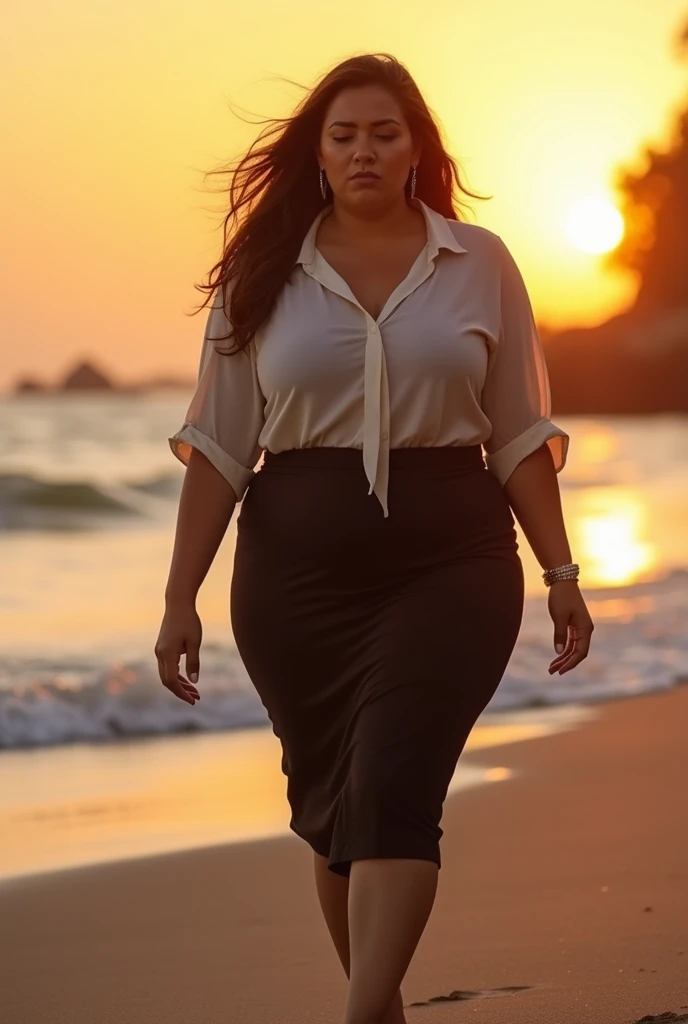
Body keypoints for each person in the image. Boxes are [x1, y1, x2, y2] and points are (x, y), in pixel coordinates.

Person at [156, 51, 594, 1024]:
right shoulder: (260, 275)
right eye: (343, 134)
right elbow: (221, 449)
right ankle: (381, 1012)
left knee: (393, 783)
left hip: (453, 564)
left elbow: (518, 430)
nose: (362, 150)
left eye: (382, 133)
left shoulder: (480, 262)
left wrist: (561, 569)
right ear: (318, 152)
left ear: (415, 150)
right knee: (332, 809)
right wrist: (179, 595)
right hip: (294, 583)